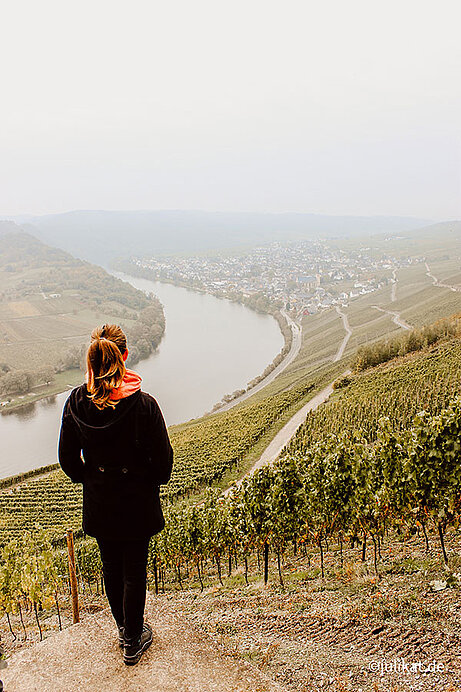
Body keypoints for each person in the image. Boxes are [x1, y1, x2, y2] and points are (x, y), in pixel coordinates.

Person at [58, 324, 173, 666]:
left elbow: (67, 459)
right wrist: (146, 482)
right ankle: (133, 642)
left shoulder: (76, 402)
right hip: (136, 502)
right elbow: (163, 460)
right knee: (134, 570)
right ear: (124, 357)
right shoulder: (144, 405)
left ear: (92, 360)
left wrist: (93, 480)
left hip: (101, 502)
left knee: (111, 566)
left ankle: (125, 630)